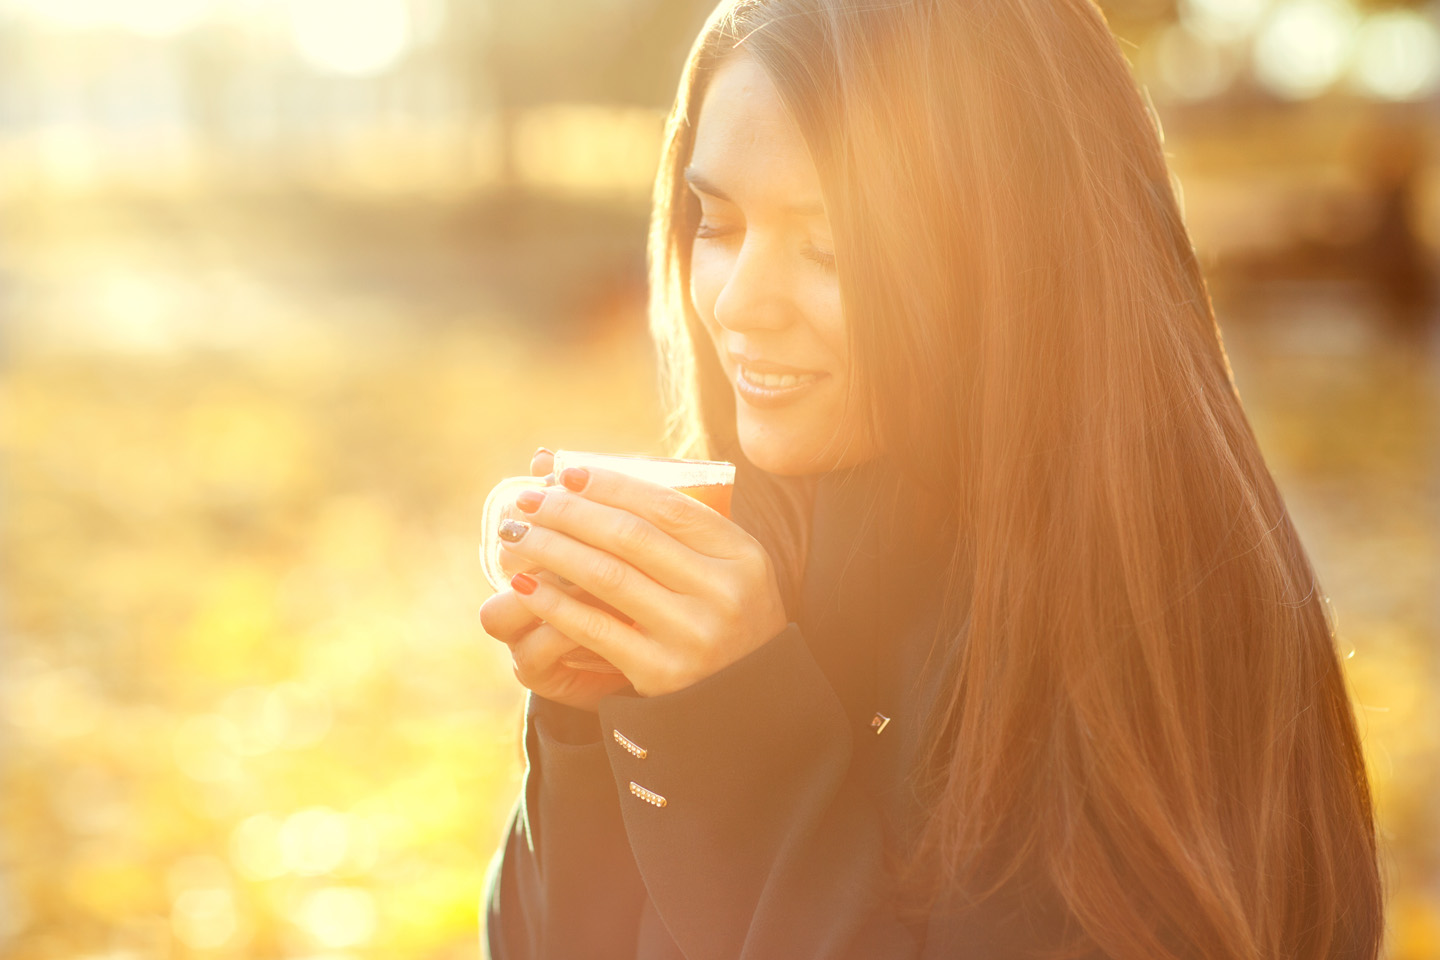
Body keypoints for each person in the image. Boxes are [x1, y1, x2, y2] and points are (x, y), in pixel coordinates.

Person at [478, 0, 1384, 957]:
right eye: (719, 222)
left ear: (1008, 258)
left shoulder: (1165, 635)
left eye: (828, 247)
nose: (740, 302)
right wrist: (588, 729)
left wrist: (738, 730)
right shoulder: (774, 533)